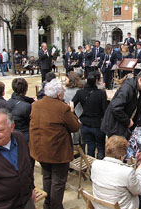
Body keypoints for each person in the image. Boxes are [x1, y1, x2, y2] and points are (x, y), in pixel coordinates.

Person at [29, 78, 80, 209]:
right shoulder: (63, 108)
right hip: (57, 152)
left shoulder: (36, 105)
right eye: (63, 91)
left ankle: (48, 204)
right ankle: (55, 206)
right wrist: (72, 111)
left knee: (47, 177)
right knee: (58, 181)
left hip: (40, 150)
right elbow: (75, 127)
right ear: (59, 95)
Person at [91, 135, 141, 209]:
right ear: (122, 155)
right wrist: (140, 169)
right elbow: (138, 190)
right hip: (120, 207)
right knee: (140, 192)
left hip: (99, 206)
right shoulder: (127, 172)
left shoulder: (95, 164)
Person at [101, 69, 141, 140]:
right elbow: (116, 108)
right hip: (115, 127)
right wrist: (127, 121)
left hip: (121, 126)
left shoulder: (137, 89)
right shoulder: (127, 88)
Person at [73, 72, 108, 159]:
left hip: (85, 123)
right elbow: (105, 110)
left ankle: (91, 167)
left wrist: (76, 117)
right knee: (100, 148)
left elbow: (71, 104)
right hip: (98, 124)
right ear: (97, 81)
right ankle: (99, 168)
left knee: (90, 146)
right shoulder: (101, 93)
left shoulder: (80, 92)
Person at [6, 78, 35, 143]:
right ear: (25, 90)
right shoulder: (26, 106)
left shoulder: (7, 103)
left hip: (12, 133)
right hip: (25, 136)